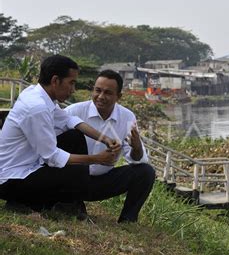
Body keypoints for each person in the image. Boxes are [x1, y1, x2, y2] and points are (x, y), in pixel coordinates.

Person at [0, 55, 121, 216]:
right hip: (11, 179)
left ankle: (66, 202)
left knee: (74, 137)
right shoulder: (37, 108)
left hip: (27, 167)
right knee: (76, 171)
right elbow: (52, 156)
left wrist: (104, 138)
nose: (73, 89)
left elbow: (69, 120)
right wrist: (98, 159)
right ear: (55, 80)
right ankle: (26, 202)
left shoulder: (37, 94)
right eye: (71, 83)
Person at [65, 69, 155, 223]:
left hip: (102, 181)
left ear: (118, 96)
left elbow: (137, 160)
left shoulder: (127, 117)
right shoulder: (74, 111)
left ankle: (128, 219)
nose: (101, 97)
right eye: (97, 90)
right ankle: (71, 203)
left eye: (107, 93)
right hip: (71, 179)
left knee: (146, 172)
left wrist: (137, 147)